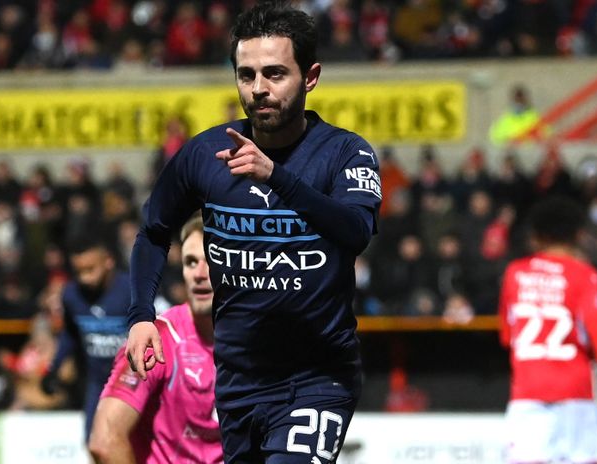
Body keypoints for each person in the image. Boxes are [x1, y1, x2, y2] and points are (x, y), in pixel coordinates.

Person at [123, 3, 381, 462]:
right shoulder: (204, 154)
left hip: (317, 377)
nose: (258, 89)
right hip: (239, 378)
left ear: (311, 76)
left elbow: (356, 229)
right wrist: (141, 314)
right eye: (246, 75)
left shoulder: (345, 153)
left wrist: (277, 178)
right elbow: (152, 232)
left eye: (275, 74)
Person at [498, 195, 597, 464]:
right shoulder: (583, 274)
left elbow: (507, 336)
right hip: (575, 392)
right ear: (578, 234)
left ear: (535, 235)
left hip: (528, 390)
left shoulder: (515, 273)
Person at [89, 215, 222, 463]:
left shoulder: (258, 340)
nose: (199, 274)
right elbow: (105, 441)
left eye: (211, 261)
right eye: (191, 262)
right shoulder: (157, 339)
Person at [40, 237, 131, 439]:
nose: (84, 278)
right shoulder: (71, 295)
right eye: (79, 271)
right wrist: (53, 368)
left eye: (90, 270)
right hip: (97, 382)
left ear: (108, 261)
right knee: (93, 442)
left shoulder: (132, 291)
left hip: (133, 382)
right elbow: (70, 335)